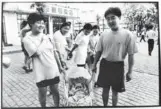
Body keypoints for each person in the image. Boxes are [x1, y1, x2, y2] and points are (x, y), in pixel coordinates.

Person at [92, 7, 138, 106]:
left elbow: (131, 55)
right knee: (105, 90)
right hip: (105, 65)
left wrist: (130, 72)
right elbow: (99, 51)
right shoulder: (104, 34)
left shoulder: (128, 34)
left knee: (115, 92)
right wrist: (94, 64)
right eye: (108, 19)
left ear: (119, 18)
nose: (110, 21)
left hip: (118, 66)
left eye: (113, 17)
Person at [22, 13, 65, 107]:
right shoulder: (27, 39)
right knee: (42, 94)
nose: (41, 25)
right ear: (31, 24)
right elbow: (35, 53)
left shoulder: (47, 36)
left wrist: (60, 66)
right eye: (38, 22)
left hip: (53, 70)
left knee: (55, 91)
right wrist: (45, 39)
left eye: (43, 22)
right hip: (41, 73)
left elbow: (54, 52)